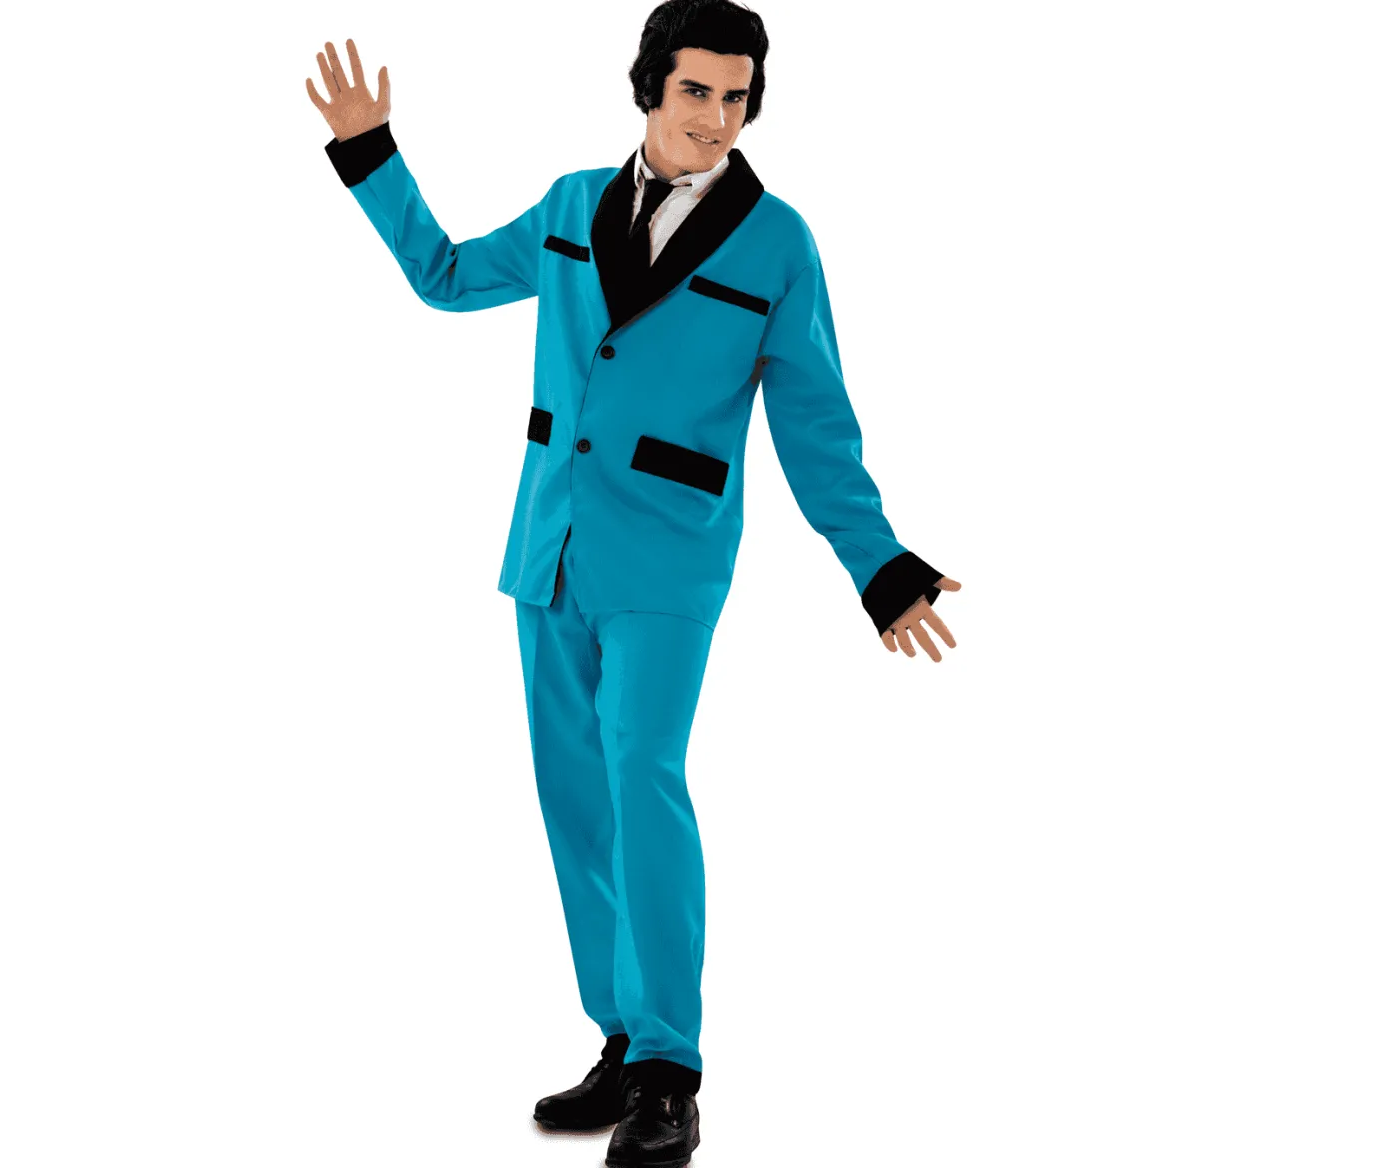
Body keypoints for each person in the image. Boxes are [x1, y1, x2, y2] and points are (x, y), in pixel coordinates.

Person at [306, 2, 961, 1163]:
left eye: (736, 97)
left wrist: (879, 565)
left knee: (642, 776)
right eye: (695, 90)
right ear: (648, 87)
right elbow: (446, 278)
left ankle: (669, 1067)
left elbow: (815, 425)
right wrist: (371, 155)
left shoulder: (778, 243)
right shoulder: (571, 204)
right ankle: (618, 1038)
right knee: (575, 803)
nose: (716, 117)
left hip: (669, 559)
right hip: (548, 547)